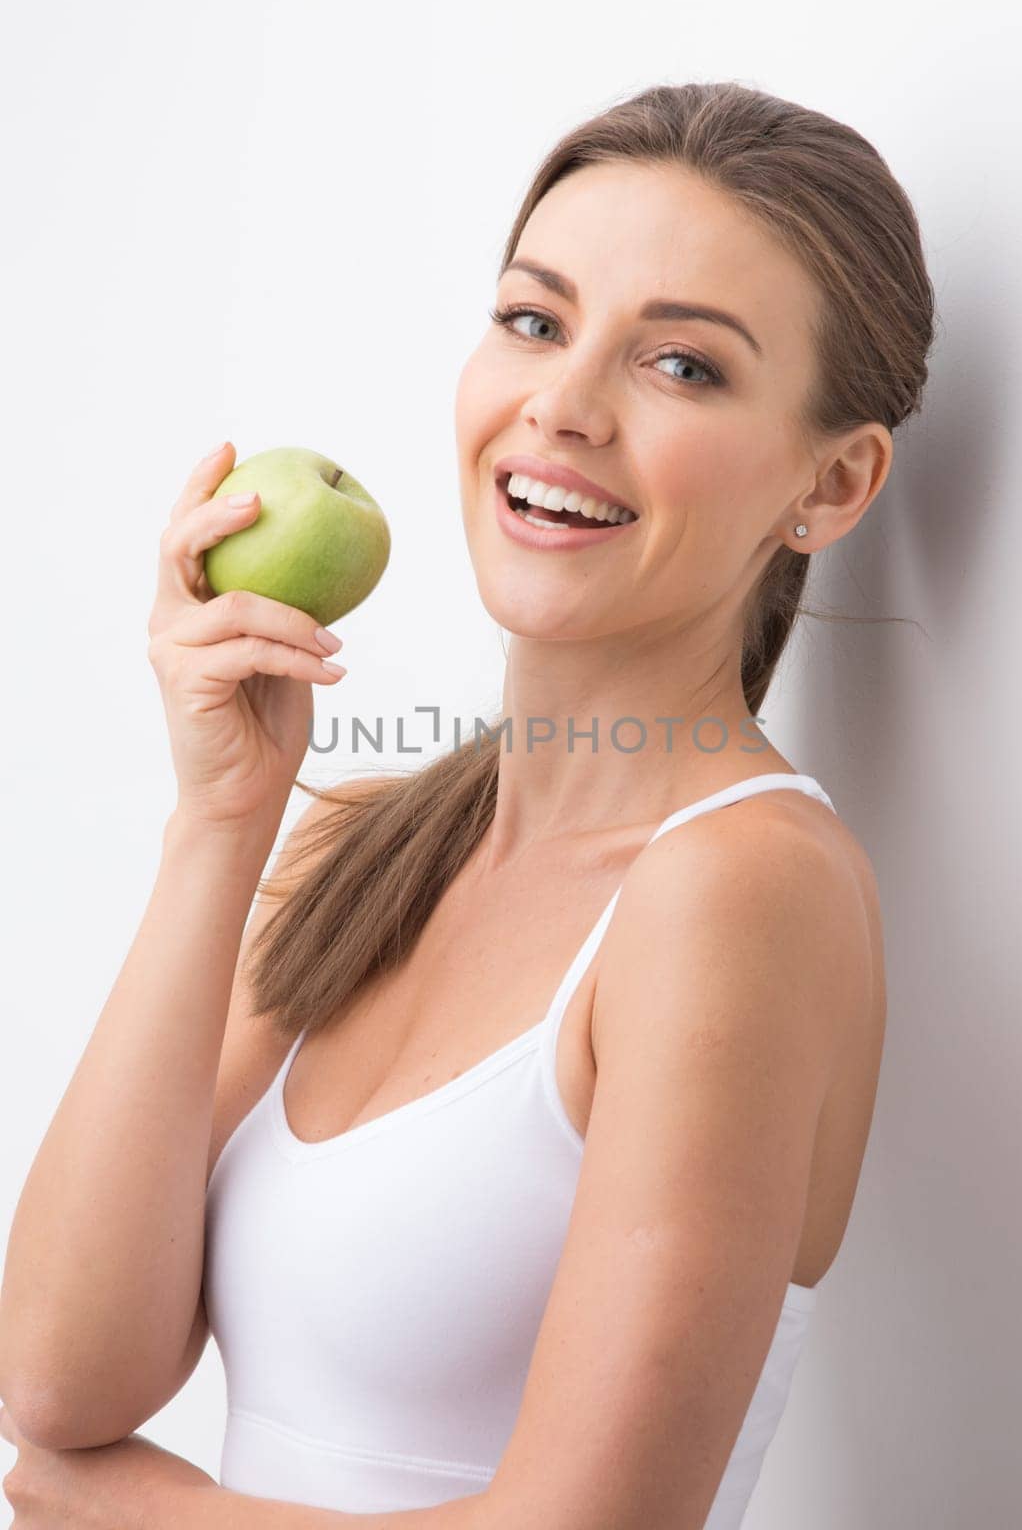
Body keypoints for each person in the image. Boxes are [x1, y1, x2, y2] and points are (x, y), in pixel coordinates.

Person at [0, 80, 934, 1527]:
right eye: (534, 320)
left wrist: (120, 1510)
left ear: (833, 481)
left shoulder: (740, 888)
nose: (560, 407)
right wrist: (219, 830)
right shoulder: (355, 842)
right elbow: (60, 1382)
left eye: (681, 366)